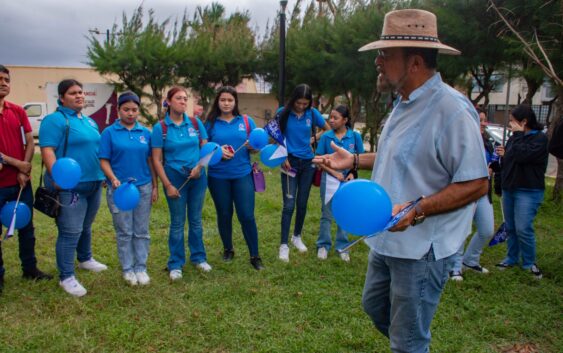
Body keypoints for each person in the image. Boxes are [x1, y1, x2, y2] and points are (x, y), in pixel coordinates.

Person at [313, 9, 488, 352]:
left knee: (406, 341)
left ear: (414, 62)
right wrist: (355, 160)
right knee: (375, 308)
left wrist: (416, 209)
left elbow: (476, 182)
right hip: (385, 238)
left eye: (385, 53)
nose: (377, 61)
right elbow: (401, 157)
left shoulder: (452, 110)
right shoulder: (403, 103)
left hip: (421, 248)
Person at [39, 79, 108, 297]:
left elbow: (96, 151)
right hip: (70, 186)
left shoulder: (89, 122)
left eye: (80, 92)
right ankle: (66, 276)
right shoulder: (55, 120)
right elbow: (48, 150)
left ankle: (85, 258)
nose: (79, 96)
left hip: (94, 182)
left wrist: (103, 174)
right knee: (70, 231)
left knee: (86, 226)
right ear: (61, 98)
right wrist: (56, 175)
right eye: (72, 93)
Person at [0, 64, 52, 294]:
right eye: (0, 79)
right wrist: (16, 162)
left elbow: (30, 142)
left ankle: (30, 268)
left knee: (26, 227)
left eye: (6, 79)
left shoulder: (17, 111)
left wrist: (23, 169)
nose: (4, 83)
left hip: (20, 182)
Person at [152, 86, 211, 281]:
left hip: (197, 178)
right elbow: (157, 160)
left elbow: (207, 150)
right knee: (177, 222)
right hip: (175, 179)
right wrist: (167, 185)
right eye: (179, 98)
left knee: (195, 220)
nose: (183, 102)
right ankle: (176, 263)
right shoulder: (160, 128)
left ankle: (198, 257)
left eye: (186, 99)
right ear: (168, 102)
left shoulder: (195, 123)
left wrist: (200, 168)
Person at [99, 91, 158, 286]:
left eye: (134, 110)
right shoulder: (109, 133)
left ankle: (141, 267)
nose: (130, 113)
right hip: (120, 190)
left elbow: (151, 161)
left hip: (143, 187)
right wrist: (113, 179)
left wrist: (155, 186)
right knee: (124, 230)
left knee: (141, 230)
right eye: (126, 109)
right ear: (118, 110)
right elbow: (104, 160)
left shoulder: (145, 133)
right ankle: (127, 269)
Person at [205, 86, 264, 271]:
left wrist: (252, 147)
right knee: (224, 214)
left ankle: (255, 255)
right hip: (217, 177)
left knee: (246, 215)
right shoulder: (210, 123)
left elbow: (257, 147)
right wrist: (217, 152)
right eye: (223, 100)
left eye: (230, 100)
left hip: (242, 175)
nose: (226, 103)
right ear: (218, 102)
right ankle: (228, 248)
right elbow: (204, 150)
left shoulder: (246, 122)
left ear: (235, 102)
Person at [275, 84, 330, 262]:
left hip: (308, 163)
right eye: (299, 102)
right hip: (289, 162)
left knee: (302, 203)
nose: (301, 106)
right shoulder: (282, 112)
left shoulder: (312, 113)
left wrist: (314, 139)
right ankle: (284, 245)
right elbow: (274, 135)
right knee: (288, 205)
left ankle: (296, 236)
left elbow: (327, 129)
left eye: (305, 103)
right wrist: (282, 153)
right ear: (293, 99)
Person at [494, 104, 548, 279]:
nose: (510, 125)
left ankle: (529, 262)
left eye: (512, 121)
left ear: (524, 121)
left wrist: (517, 136)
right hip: (510, 188)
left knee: (523, 227)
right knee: (510, 227)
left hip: (529, 190)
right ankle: (511, 258)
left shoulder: (539, 139)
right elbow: (509, 161)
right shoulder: (514, 139)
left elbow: (522, 155)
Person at [449, 108, 495, 281]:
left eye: (484, 120)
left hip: (483, 191)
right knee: (462, 229)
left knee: (487, 229)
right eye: (480, 120)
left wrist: (494, 166)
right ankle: (455, 267)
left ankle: (470, 260)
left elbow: (491, 164)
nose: (483, 123)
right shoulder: (461, 141)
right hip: (465, 190)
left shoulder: (487, 142)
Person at [315, 105, 364, 262]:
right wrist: (334, 172)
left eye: (335, 118)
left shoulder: (355, 137)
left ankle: (343, 246)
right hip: (329, 179)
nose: (331, 120)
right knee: (327, 213)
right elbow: (318, 161)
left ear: (345, 120)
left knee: (344, 212)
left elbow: (359, 160)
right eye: (331, 117)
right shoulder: (326, 137)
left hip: (348, 181)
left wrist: (351, 173)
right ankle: (323, 245)